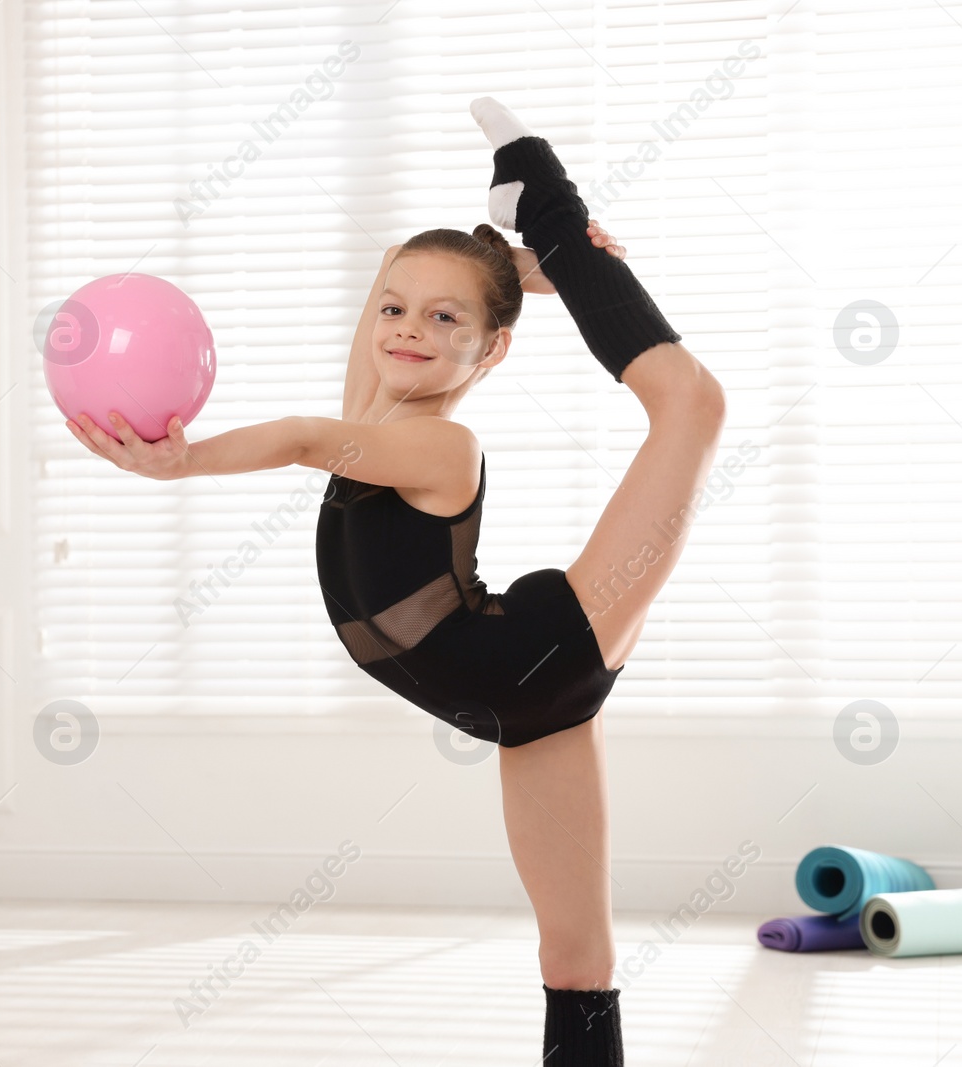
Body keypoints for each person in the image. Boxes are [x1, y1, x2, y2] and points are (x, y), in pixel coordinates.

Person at [65, 97, 726, 1066]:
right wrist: (518, 275)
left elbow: (297, 438)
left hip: (541, 647)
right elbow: (376, 335)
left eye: (445, 318)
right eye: (394, 309)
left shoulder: (432, 444)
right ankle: (535, 224)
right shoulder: (375, 407)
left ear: (490, 348)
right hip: (523, 703)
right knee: (575, 954)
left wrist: (184, 459)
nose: (408, 329)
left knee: (692, 405)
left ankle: (539, 187)